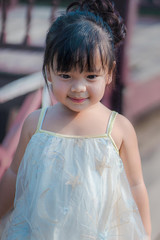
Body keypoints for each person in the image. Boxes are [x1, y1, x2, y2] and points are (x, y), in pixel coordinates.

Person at [0, 0, 151, 239]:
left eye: (91, 76)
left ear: (109, 72)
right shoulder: (35, 123)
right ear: (49, 71)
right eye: (66, 75)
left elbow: (136, 185)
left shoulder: (118, 128)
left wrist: (145, 233)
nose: (78, 87)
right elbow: (14, 174)